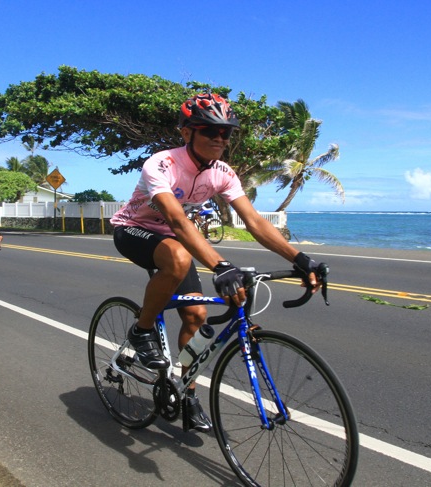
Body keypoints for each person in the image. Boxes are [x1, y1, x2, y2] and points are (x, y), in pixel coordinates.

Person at [110, 93, 322, 433]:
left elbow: (254, 222)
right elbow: (178, 222)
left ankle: (187, 394)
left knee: (196, 316)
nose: (220, 139)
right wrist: (221, 266)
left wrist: (301, 258)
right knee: (178, 257)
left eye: (226, 133)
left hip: (176, 238)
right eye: (211, 131)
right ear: (187, 133)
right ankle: (142, 329)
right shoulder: (162, 164)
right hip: (134, 229)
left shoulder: (222, 173)